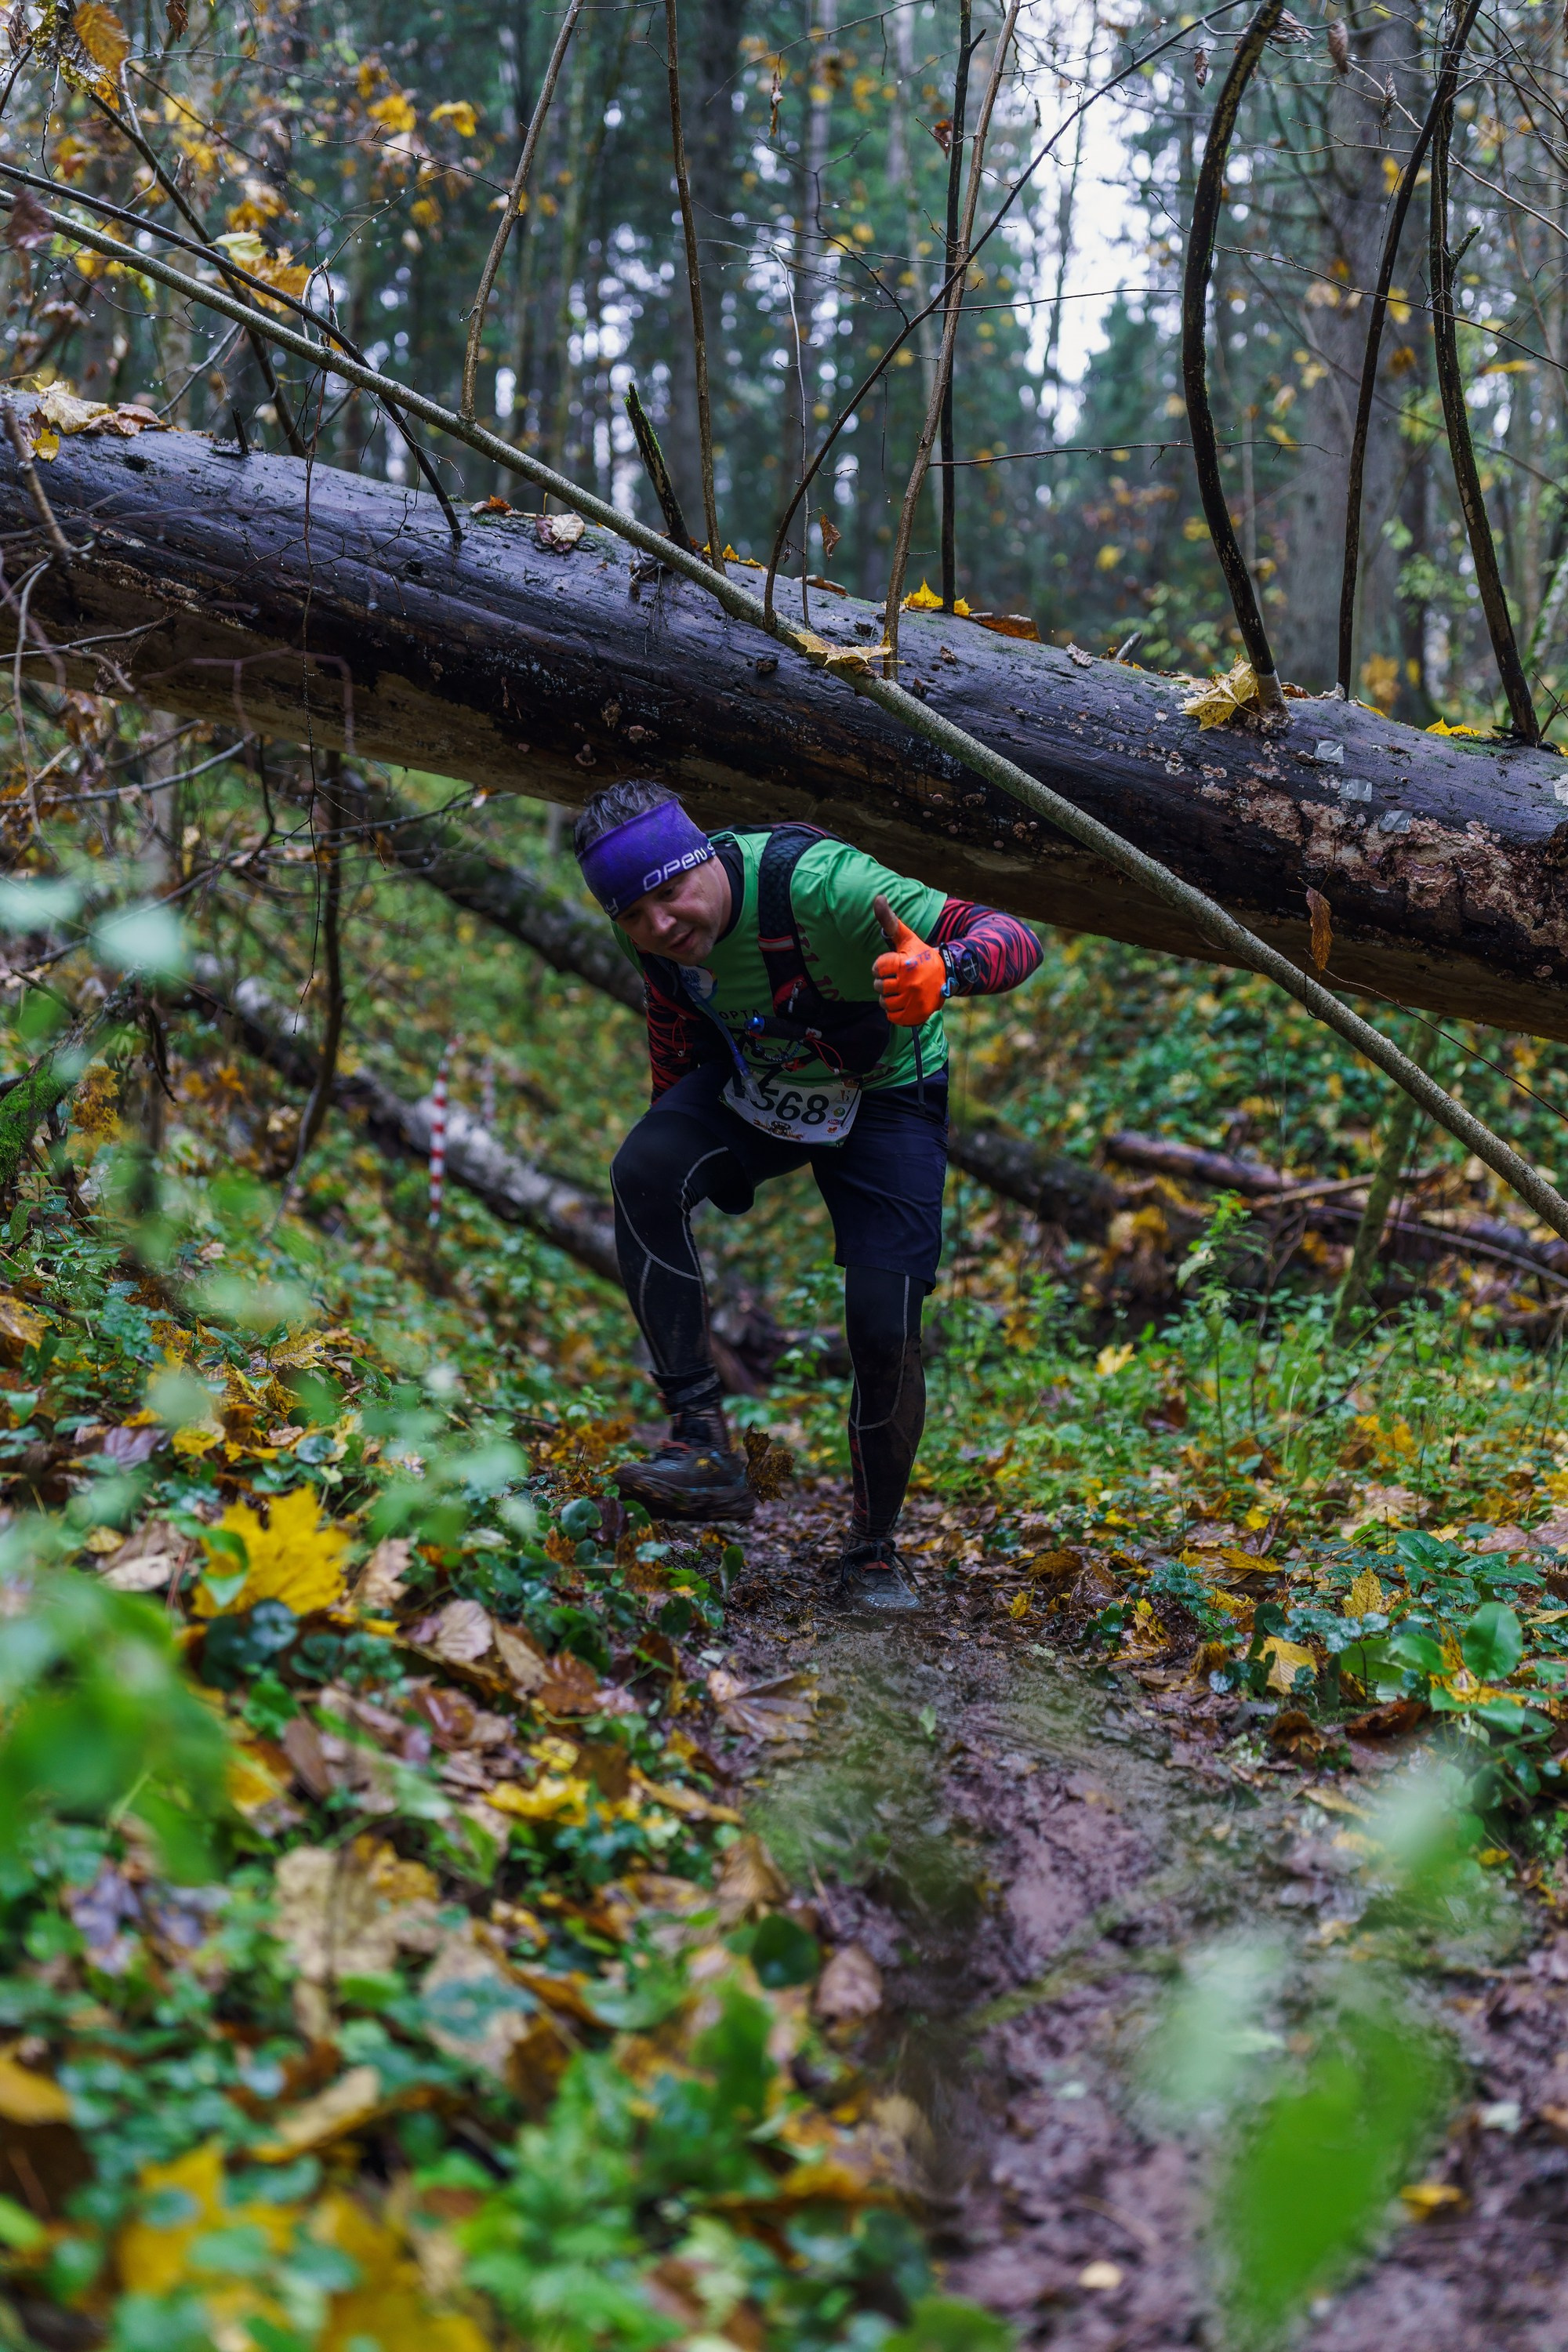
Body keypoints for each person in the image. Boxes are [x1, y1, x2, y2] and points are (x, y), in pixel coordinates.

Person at [575, 779, 1043, 1613]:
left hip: (888, 1092)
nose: (660, 926)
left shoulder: (827, 886)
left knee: (883, 1326)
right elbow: (674, 1035)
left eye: (670, 894)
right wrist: (675, 1154)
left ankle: (872, 1551)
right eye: (634, 914)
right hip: (759, 1082)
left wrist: (946, 969)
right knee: (641, 1168)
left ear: (703, 859)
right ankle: (701, 1444)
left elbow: (1012, 936)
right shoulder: (653, 939)